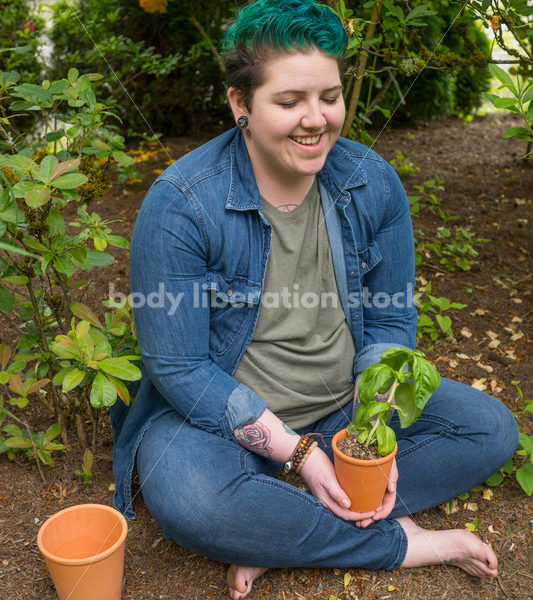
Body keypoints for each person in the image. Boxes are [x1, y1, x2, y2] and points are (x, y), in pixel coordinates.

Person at [110, 1, 519, 598]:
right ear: (240, 104)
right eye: (289, 101)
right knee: (193, 501)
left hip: (339, 410)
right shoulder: (182, 203)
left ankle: (276, 526)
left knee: (490, 428)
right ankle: (404, 542)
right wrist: (297, 454)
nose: (316, 119)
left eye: (329, 97)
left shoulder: (371, 181)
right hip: (224, 423)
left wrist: (372, 427)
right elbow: (178, 368)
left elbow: (388, 318)